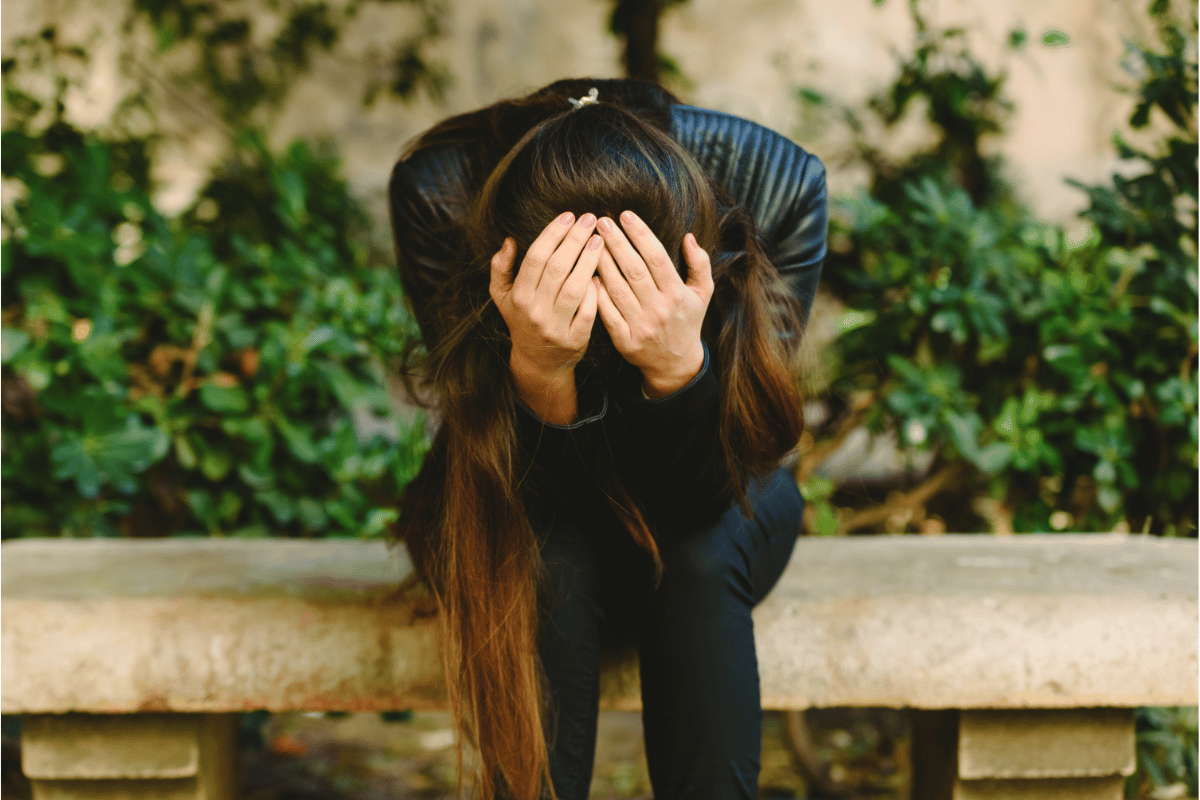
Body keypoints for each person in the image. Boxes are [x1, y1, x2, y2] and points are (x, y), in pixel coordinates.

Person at [388, 77, 828, 800]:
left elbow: (730, 474)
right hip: (508, 487)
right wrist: (539, 373)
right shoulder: (442, 187)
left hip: (722, 482)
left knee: (700, 551)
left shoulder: (774, 183)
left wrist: (678, 369)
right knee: (546, 560)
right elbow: (497, 465)